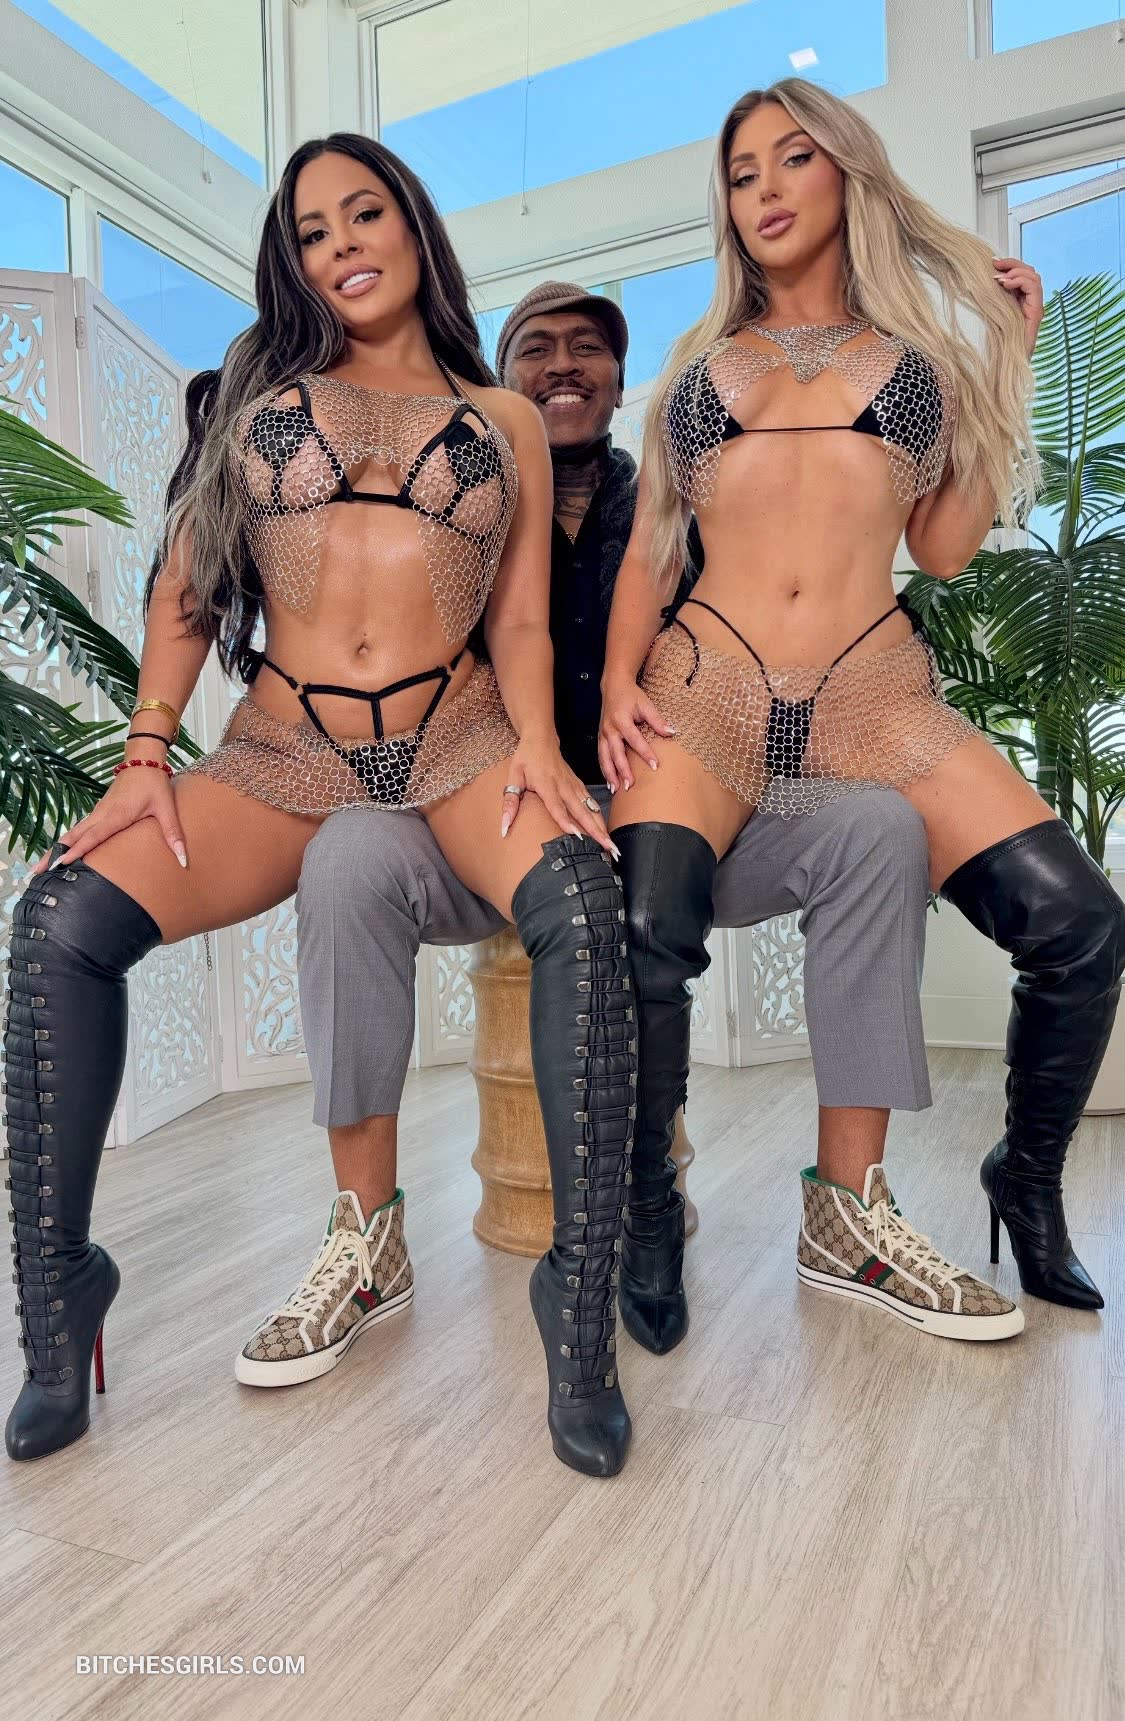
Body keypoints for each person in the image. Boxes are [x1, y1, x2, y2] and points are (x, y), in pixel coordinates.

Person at [4, 134, 637, 1478]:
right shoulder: (257, 395)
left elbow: (521, 620)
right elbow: (186, 591)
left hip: (458, 740)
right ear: (293, 263)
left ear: (413, 226)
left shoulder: (503, 416)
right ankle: (59, 1309)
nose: (343, 243)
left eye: (365, 213)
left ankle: (576, 1314)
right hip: (284, 751)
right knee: (59, 923)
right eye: (312, 231)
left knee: (583, 899)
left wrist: (541, 746)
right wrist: (144, 755)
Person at [272, 274, 935, 1388]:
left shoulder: (689, 494)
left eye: (588, 347)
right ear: (499, 382)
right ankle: (363, 1232)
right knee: (342, 857)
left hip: (675, 818)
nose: (563, 365)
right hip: (494, 827)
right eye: (536, 348)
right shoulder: (448, 504)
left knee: (876, 826)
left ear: (623, 382)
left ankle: (846, 1206)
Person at [599, 79, 1125, 1340]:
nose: (766, 190)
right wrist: (617, 681)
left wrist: (1007, 362)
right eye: (742, 175)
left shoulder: (915, 371)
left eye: (793, 159)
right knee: (649, 927)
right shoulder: (700, 370)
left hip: (872, 692)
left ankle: (1023, 1180)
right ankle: (649, 1207)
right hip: (706, 684)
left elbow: (940, 549)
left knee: (1081, 923)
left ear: (846, 173)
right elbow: (651, 553)